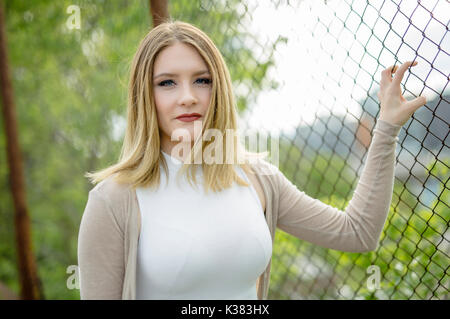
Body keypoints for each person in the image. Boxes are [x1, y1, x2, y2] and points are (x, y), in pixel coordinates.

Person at [77, 20, 427, 300]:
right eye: (167, 83)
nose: (187, 97)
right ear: (144, 95)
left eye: (202, 80)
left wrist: (386, 128)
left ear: (219, 90)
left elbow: (357, 233)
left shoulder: (257, 178)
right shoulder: (114, 200)